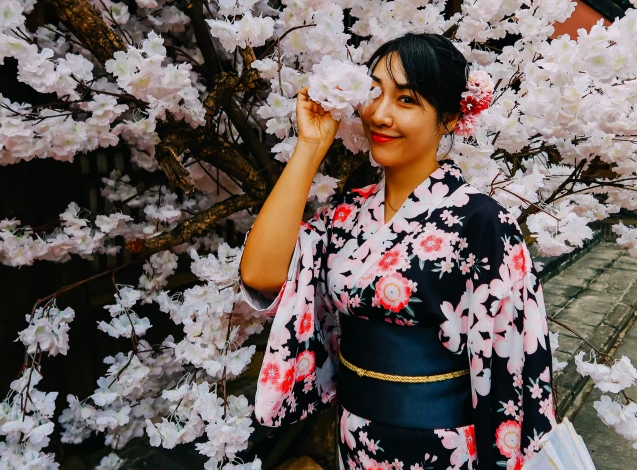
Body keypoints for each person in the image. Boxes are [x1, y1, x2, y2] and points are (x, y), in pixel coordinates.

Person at [237, 32, 556, 470]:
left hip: (442, 449)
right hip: (358, 435)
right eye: (374, 92)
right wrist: (310, 147)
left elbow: (508, 367)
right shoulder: (346, 215)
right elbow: (260, 276)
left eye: (406, 100)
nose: (379, 115)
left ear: (448, 117)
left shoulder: (482, 223)